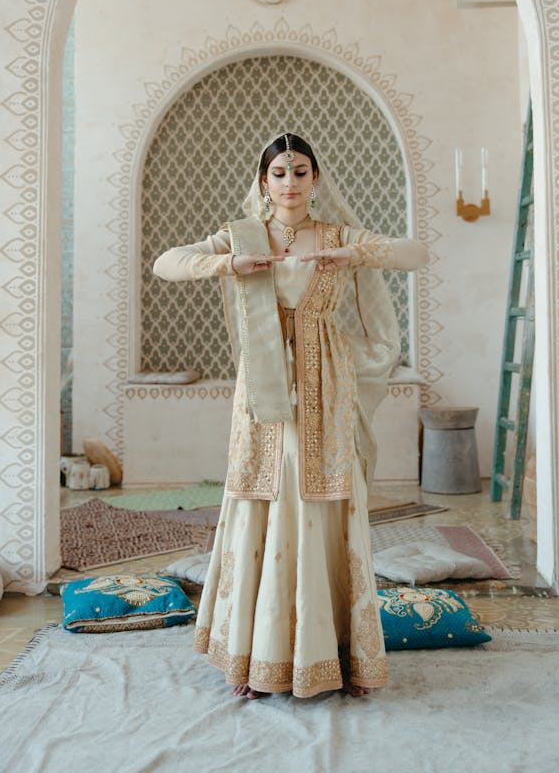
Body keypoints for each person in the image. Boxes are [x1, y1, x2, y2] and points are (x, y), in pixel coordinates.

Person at [153, 132, 428, 699]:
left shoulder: (337, 236)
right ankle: (257, 657)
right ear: (263, 181)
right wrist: (230, 262)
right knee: (271, 494)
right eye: (279, 172)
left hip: (329, 383)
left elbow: (415, 254)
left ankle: (340, 656)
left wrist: (356, 254)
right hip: (267, 389)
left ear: (316, 180)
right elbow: (166, 263)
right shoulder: (243, 235)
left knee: (329, 493)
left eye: (301, 171)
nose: (290, 182)